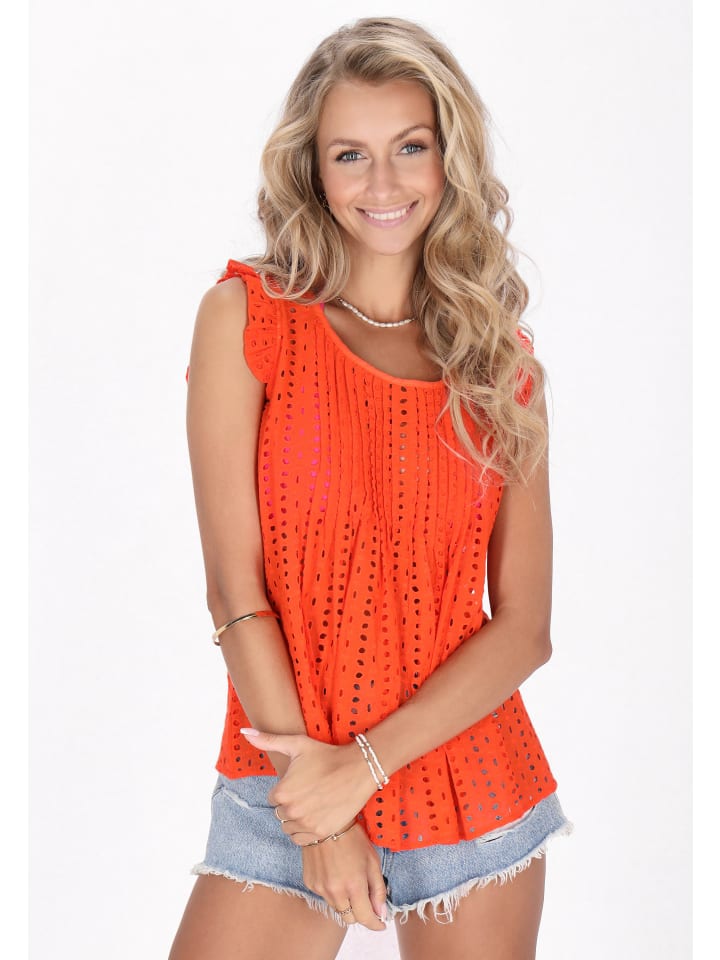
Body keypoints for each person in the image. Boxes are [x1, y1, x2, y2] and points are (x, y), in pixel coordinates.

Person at [169, 16, 572, 960]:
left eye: (410, 147)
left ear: (449, 158)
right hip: (290, 776)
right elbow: (235, 592)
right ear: (313, 169)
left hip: (469, 782)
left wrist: (367, 767)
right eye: (350, 154)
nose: (382, 184)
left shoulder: (499, 365)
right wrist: (321, 809)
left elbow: (525, 628)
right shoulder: (248, 320)